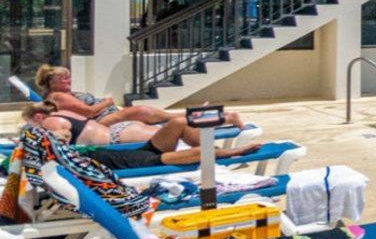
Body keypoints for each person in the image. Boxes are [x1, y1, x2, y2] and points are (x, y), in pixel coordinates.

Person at [29, 106, 260, 169]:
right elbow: (88, 114)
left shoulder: (50, 122)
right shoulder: (60, 110)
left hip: (122, 142)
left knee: (177, 122)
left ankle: (219, 138)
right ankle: (223, 124)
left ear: (37, 117)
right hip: (136, 152)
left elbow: (62, 133)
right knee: (177, 121)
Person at [33, 64, 237, 132]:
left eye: (69, 76)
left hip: (104, 117)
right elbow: (90, 112)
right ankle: (208, 116)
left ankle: (208, 115)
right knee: (148, 113)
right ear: (52, 82)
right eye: (63, 78)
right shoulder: (58, 96)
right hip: (99, 121)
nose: (68, 80)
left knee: (162, 118)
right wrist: (108, 102)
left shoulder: (63, 94)